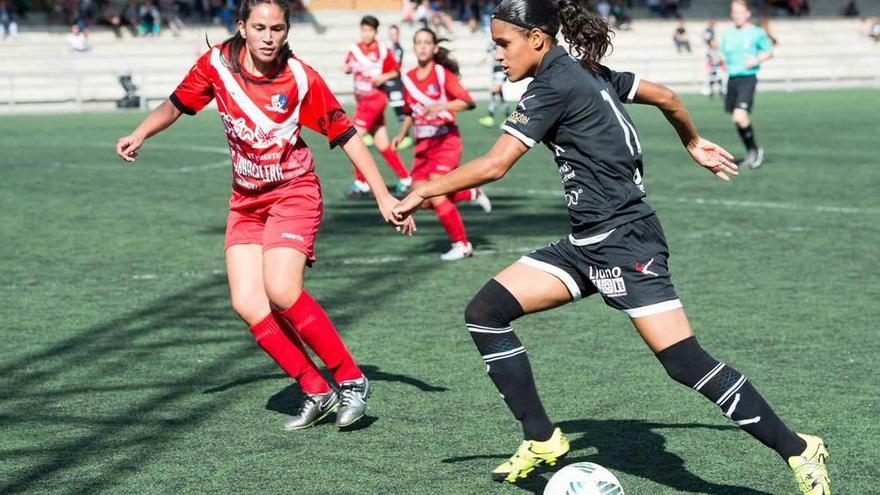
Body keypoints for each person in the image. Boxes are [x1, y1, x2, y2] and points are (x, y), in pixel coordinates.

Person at [392, 1, 830, 493]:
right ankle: (542, 439)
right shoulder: (586, 70)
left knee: (684, 362)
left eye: (503, 43)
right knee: (485, 312)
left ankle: (798, 448)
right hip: (587, 242)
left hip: (626, 242)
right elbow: (665, 96)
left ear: (537, 39)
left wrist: (423, 190)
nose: (496, 54)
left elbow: (496, 165)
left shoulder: (552, 85)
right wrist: (692, 140)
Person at [116, 0, 414, 431]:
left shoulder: (300, 78)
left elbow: (346, 134)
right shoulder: (216, 65)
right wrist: (140, 132)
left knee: (281, 289)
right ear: (242, 27)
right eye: (259, 27)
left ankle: (351, 379)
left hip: (294, 193)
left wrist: (383, 195)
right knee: (248, 303)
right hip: (246, 202)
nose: (268, 36)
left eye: (277, 28)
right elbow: (176, 104)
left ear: (287, 31)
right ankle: (315, 388)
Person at [391, 28, 492, 261]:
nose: (423, 46)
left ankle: (462, 244)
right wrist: (401, 134)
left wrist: (441, 107)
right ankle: (469, 192)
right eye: (418, 42)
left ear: (435, 48)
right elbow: (409, 111)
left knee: (436, 193)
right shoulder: (407, 78)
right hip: (422, 146)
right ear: (413, 47)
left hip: (446, 141)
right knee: (421, 200)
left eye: (427, 42)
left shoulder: (442, 73)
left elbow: (468, 102)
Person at [343, 15, 413, 198]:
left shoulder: (382, 50)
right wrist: (347, 68)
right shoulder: (355, 49)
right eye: (364, 30)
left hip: (375, 99)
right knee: (382, 144)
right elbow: (347, 65)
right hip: (362, 101)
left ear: (375, 32)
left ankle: (361, 182)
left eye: (370, 31)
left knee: (352, 139)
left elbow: (395, 70)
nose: (366, 34)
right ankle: (405, 178)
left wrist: (383, 77)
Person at [720, 0, 773, 169]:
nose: (737, 16)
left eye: (740, 12)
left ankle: (755, 151)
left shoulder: (756, 32)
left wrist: (756, 59)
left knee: (739, 116)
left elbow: (769, 51)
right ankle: (751, 152)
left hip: (747, 78)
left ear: (748, 13)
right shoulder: (727, 34)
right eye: (734, 12)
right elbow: (722, 54)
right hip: (732, 79)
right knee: (736, 120)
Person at [383, 24, 414, 152]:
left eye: (395, 34)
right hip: (387, 84)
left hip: (395, 84)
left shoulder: (398, 49)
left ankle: (406, 137)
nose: (393, 36)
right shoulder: (389, 48)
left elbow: (394, 66)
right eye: (391, 34)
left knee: (400, 111)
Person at [478, 40, 510, 128]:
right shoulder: (493, 45)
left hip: (500, 71)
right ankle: (505, 118)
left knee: (495, 92)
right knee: (500, 96)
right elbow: (489, 54)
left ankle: (490, 117)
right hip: (496, 71)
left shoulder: (503, 45)